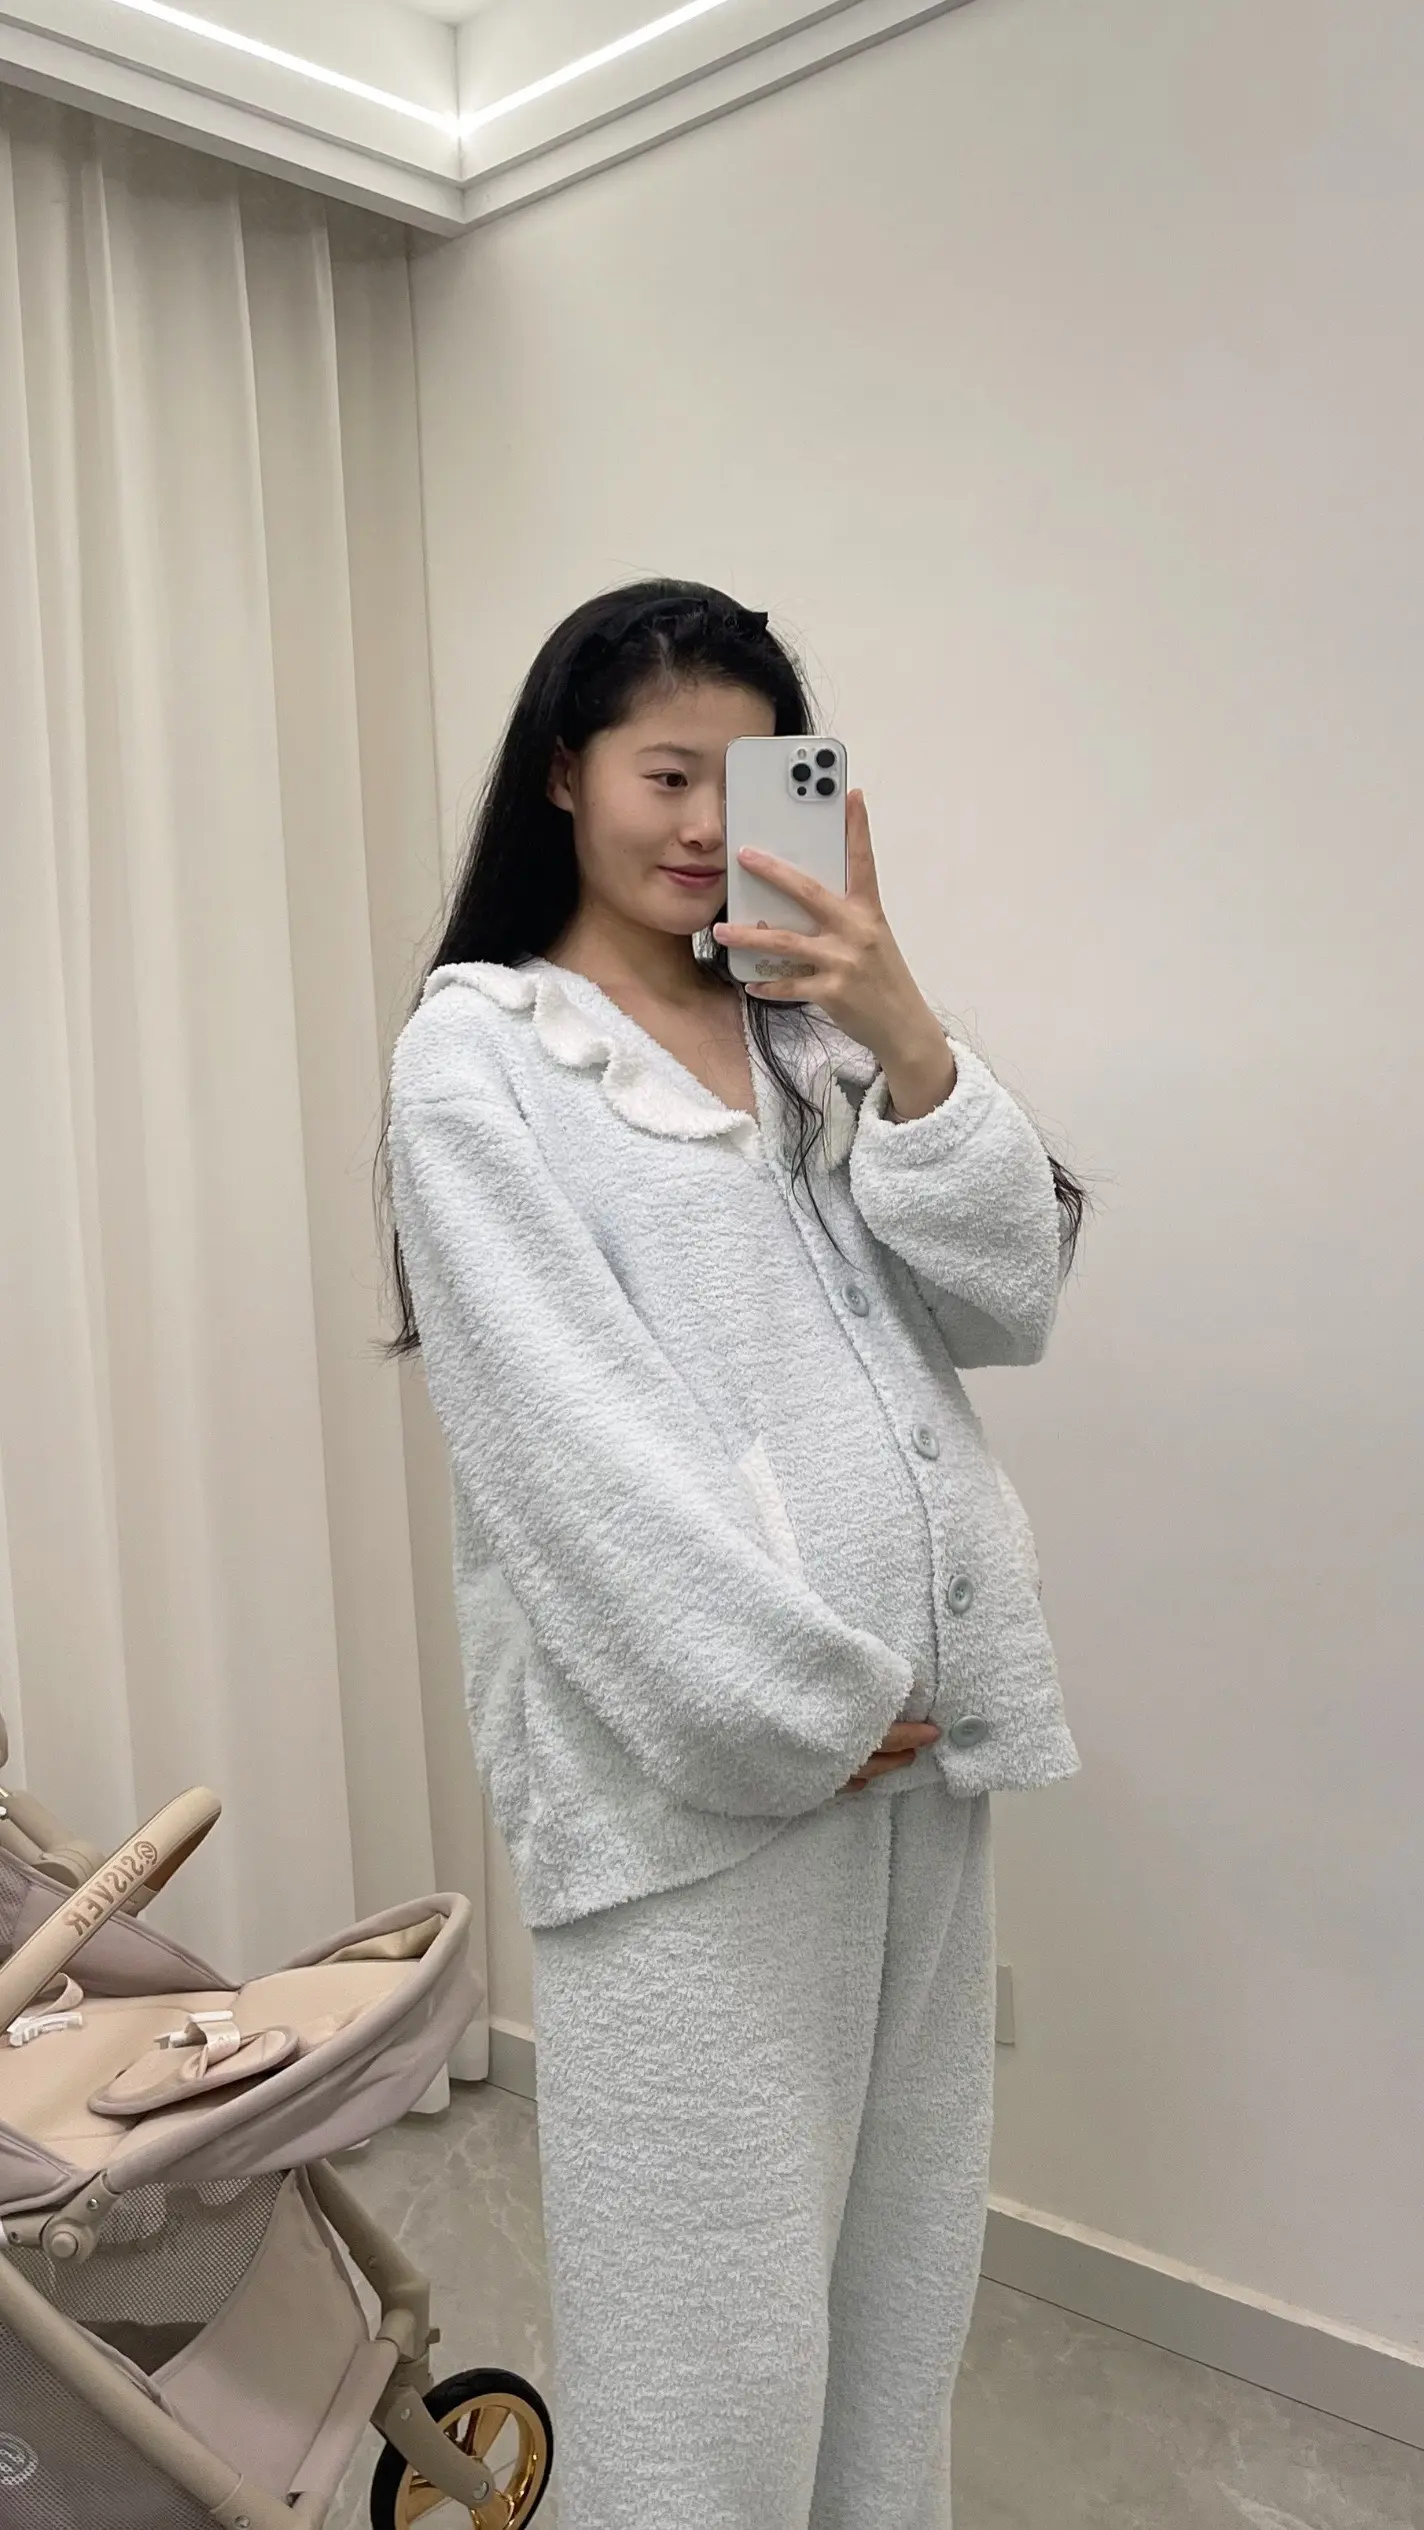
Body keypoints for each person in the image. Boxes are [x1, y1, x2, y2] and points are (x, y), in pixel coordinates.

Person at [380, 579, 1086, 2530]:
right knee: (711, 2346)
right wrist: (795, 1702)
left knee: (897, 2290)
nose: (703, 823)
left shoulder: (812, 1038)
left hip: (918, 1772)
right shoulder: (483, 1057)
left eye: (748, 778)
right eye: (663, 772)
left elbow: (1006, 1295)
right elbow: (561, 1444)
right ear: (565, 776)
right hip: (700, 1787)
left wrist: (897, 1018)